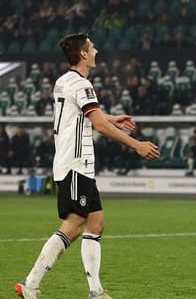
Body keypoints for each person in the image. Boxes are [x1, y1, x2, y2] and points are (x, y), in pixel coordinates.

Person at [14, 33, 160, 299]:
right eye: (92, 47)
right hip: (75, 163)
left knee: (96, 222)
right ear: (83, 54)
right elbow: (98, 124)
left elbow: (85, 115)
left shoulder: (64, 81)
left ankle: (96, 291)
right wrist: (136, 144)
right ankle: (31, 284)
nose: (96, 50)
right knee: (73, 224)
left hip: (75, 163)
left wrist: (112, 117)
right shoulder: (83, 86)